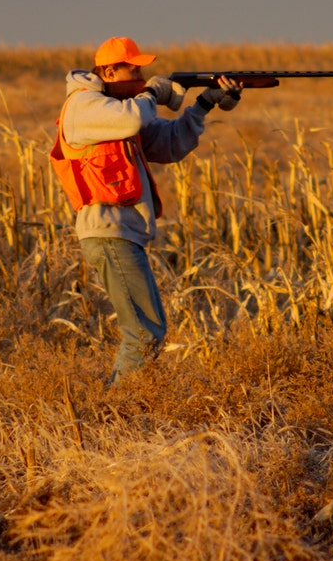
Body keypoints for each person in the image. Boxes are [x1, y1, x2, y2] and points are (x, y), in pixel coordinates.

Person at [50, 36, 241, 385]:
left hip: (124, 236)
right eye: (133, 68)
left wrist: (203, 105)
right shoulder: (86, 106)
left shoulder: (115, 111)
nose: (140, 75)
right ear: (109, 70)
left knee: (150, 331)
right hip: (109, 234)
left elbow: (168, 143)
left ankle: (118, 411)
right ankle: (115, 415)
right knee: (144, 334)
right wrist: (153, 93)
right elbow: (134, 117)